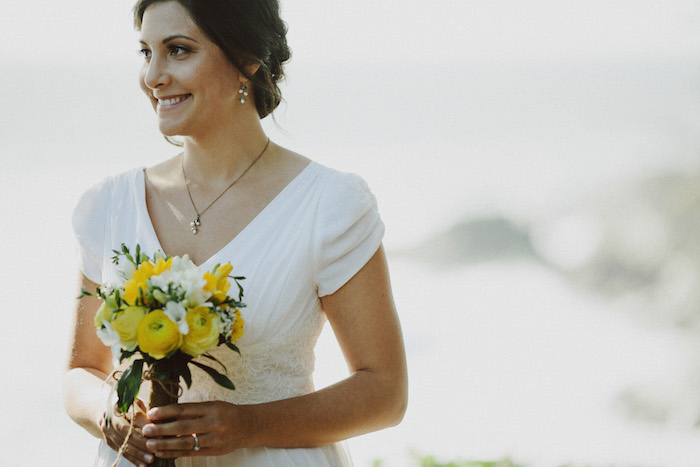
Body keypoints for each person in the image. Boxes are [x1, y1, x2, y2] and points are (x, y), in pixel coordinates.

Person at [62, 0, 408, 466]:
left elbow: (385, 391)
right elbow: (81, 370)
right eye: (146, 53)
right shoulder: (109, 206)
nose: (153, 76)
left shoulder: (328, 204)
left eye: (178, 50)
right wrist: (107, 413)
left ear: (248, 57)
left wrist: (250, 424)